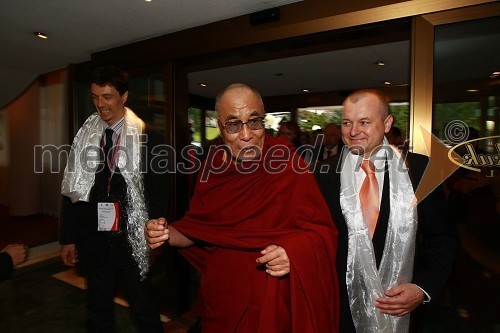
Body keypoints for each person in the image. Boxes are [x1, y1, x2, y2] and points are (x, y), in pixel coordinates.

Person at [145, 83, 339, 333]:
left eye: (255, 121)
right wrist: (165, 233)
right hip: (219, 297)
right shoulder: (212, 167)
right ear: (220, 127)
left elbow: (322, 233)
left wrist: (293, 252)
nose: (247, 134)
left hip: (268, 296)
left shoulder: (288, 163)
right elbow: (196, 229)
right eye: (234, 124)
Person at [315, 89, 457, 333]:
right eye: (347, 122)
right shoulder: (323, 175)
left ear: (387, 123)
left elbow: (441, 238)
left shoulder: (419, 169)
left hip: (401, 308)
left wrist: (422, 288)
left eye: (364, 122)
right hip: (340, 310)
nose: (353, 131)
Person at [59, 66, 167, 333]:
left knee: (144, 310)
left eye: (107, 96)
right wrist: (68, 237)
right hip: (93, 238)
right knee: (97, 312)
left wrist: (155, 238)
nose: (100, 104)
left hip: (131, 239)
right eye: (95, 97)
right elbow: (72, 188)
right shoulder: (85, 134)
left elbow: (158, 193)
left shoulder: (148, 135)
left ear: (124, 96)